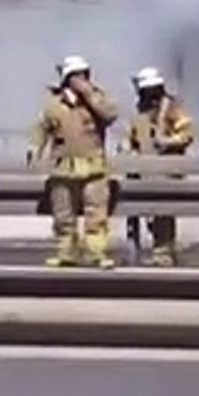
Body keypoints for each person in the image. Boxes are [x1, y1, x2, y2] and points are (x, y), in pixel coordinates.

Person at [27, 55, 120, 269]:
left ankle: (95, 252)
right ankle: (65, 252)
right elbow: (41, 128)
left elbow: (110, 114)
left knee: (95, 215)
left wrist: (89, 95)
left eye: (84, 75)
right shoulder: (54, 104)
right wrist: (35, 147)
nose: (81, 80)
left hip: (93, 169)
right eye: (76, 76)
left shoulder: (96, 100)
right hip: (63, 169)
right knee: (64, 215)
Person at [121, 67, 195, 267]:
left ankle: (164, 252)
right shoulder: (140, 112)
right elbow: (130, 136)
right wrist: (128, 149)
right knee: (148, 214)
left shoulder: (172, 108)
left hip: (167, 172)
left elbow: (186, 134)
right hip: (144, 171)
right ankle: (153, 249)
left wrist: (168, 141)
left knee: (163, 212)